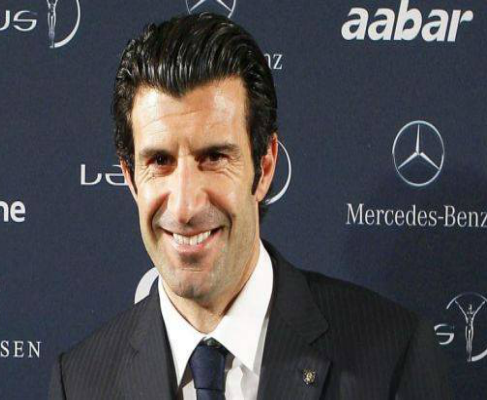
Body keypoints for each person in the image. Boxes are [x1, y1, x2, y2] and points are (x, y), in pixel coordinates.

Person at [48, 12, 452, 400]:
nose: (185, 205)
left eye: (214, 157)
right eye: (160, 161)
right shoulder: (80, 383)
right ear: (130, 177)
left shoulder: (391, 355)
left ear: (265, 166)